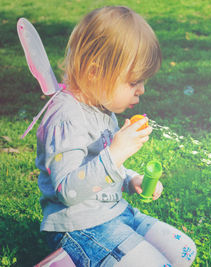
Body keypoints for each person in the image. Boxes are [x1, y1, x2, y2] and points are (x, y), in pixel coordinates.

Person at [35, 6, 196, 266]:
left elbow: (102, 167)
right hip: (81, 227)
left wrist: (131, 179)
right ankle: (67, 259)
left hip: (115, 213)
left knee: (184, 252)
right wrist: (117, 152)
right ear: (95, 72)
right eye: (133, 82)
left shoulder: (102, 109)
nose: (141, 90)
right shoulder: (66, 117)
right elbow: (68, 191)